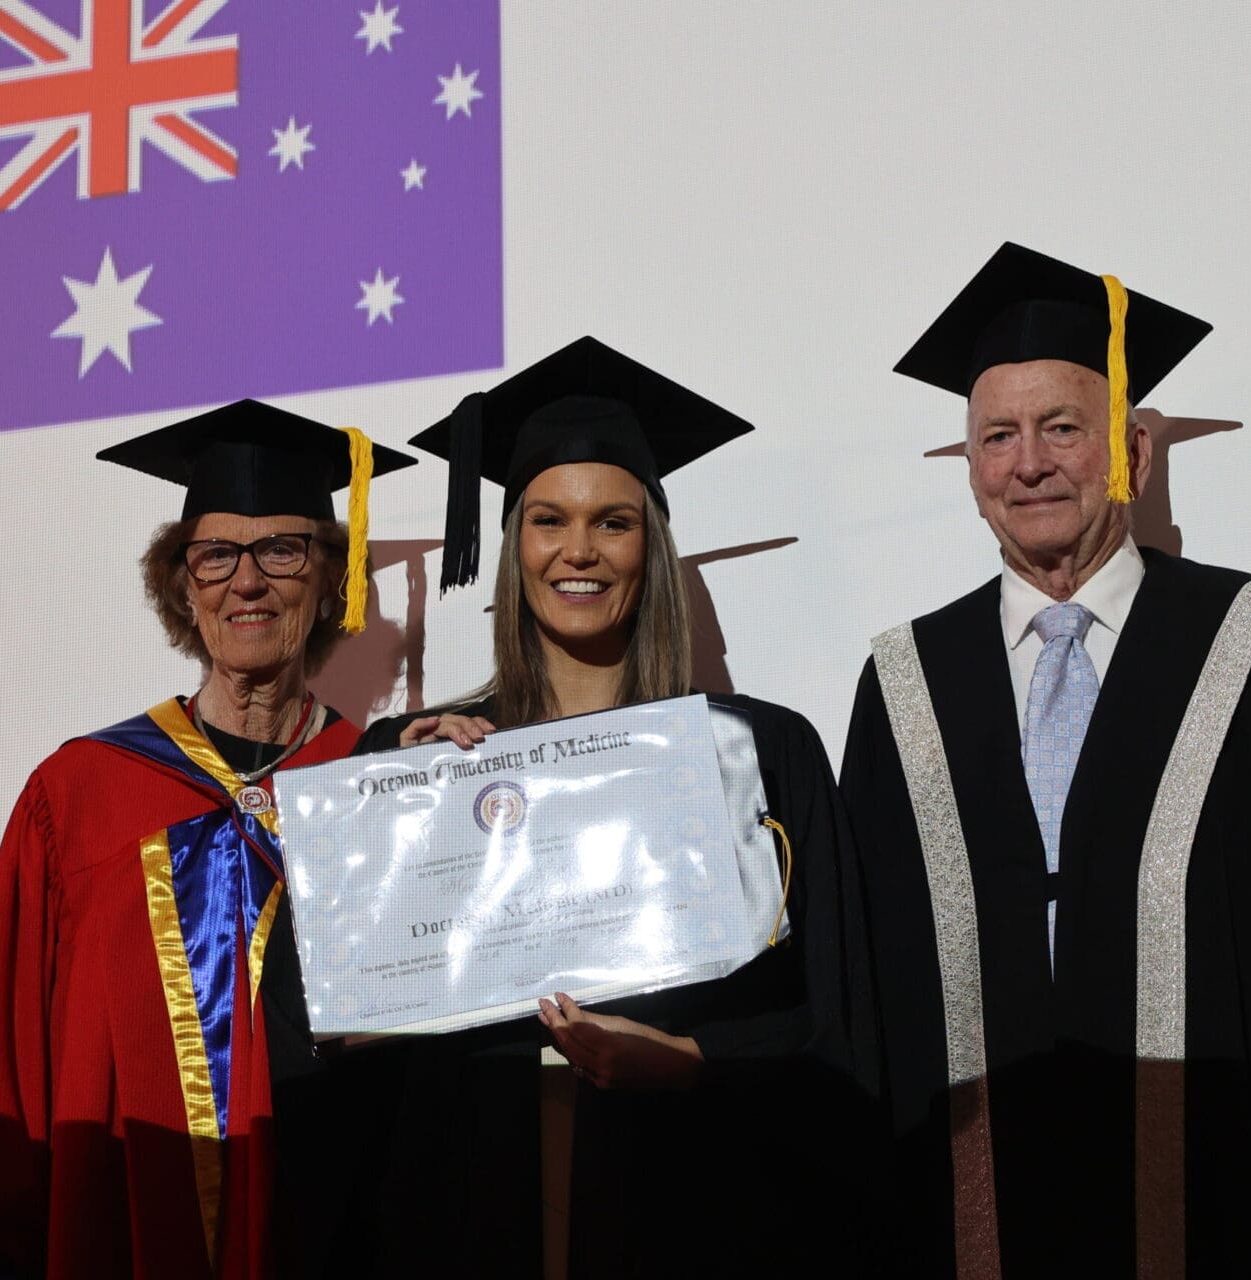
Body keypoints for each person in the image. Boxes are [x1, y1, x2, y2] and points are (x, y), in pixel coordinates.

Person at [839, 242, 1251, 1278]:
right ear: (973, 471)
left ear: (1129, 448)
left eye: (1062, 428)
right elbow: (862, 974)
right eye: (998, 437)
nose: (1029, 463)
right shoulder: (904, 681)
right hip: (975, 1203)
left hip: (1223, 1178)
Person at [270, 336, 877, 1280]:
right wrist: (395, 819)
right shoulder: (419, 759)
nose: (579, 551)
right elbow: (315, 1031)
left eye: (613, 523)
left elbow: (841, 1022)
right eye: (549, 520)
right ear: (515, 547)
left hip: (695, 1211)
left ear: (650, 548)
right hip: (466, 1213)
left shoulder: (756, 753)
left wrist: (695, 1057)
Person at [0, 403, 414, 1278]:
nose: (246, 582)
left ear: (332, 579)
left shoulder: (377, 787)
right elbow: (4, 1077)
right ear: (181, 586)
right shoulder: (80, 798)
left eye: (282, 551)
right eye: (215, 555)